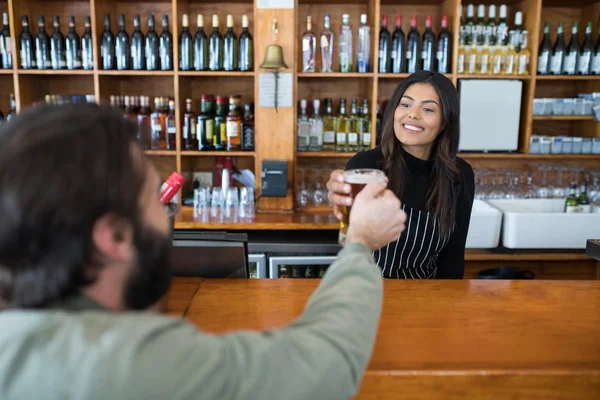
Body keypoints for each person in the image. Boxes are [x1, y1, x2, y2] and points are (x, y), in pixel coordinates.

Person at [0, 104, 407, 399]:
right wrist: (359, 244)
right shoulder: (128, 364)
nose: (167, 218)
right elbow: (326, 365)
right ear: (116, 237)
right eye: (158, 205)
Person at [327, 71, 475, 279]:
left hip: (425, 295)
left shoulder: (460, 174)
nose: (413, 114)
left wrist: (446, 306)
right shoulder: (367, 167)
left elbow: (453, 256)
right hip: (368, 292)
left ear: (444, 122)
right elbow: (351, 241)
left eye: (428, 109)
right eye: (405, 105)